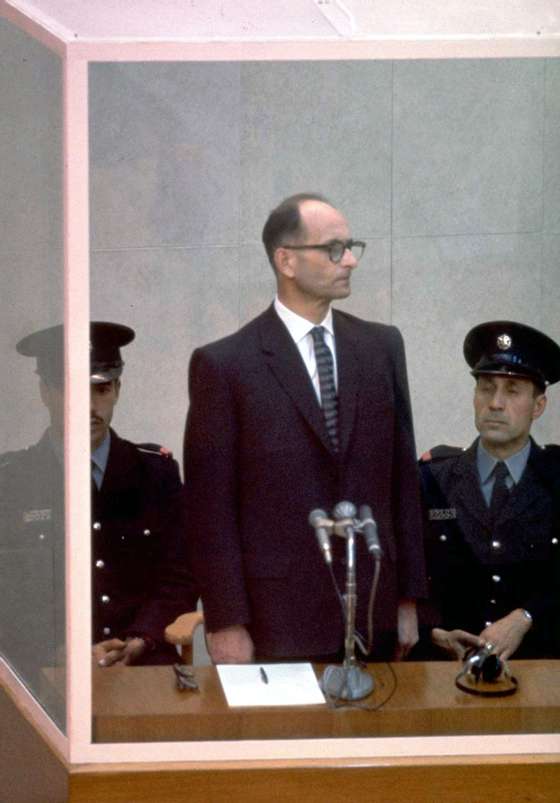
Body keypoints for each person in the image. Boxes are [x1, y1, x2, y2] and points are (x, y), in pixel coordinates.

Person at [183, 192, 427, 664]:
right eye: (334, 248)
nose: (350, 260)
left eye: (352, 246)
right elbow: (209, 512)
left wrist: (410, 599)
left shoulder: (380, 347)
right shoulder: (226, 365)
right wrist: (225, 621)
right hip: (276, 619)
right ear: (286, 260)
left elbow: (403, 481)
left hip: (374, 611)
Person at [3, 321, 197, 671]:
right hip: (47, 671)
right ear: (45, 392)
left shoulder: (155, 474)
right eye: (72, 390)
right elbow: (8, 592)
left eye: (101, 390)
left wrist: (140, 639)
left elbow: (179, 576)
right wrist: (58, 652)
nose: (89, 406)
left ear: (118, 389)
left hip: (141, 660)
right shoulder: (13, 481)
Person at [419, 320, 560, 662]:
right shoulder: (431, 479)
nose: (495, 403)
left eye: (512, 391)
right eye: (486, 387)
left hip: (541, 671)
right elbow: (406, 575)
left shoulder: (556, 479)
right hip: (445, 673)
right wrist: (431, 629)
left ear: (538, 405)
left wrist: (526, 616)